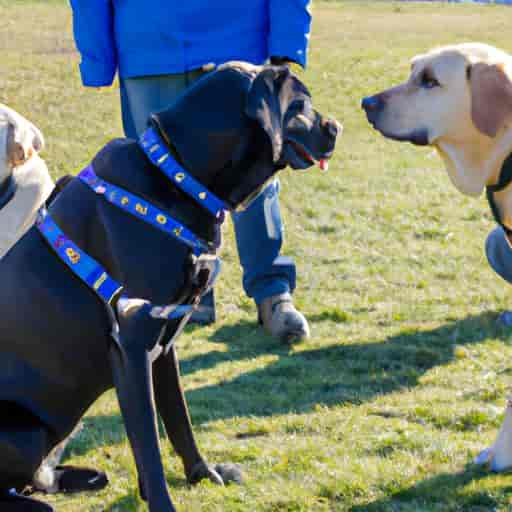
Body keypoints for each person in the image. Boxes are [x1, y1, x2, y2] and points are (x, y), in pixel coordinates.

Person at [69, 0, 312, 343]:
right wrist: (96, 56)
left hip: (240, 42)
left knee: (255, 176)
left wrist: (287, 43)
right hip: (149, 46)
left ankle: (272, 292)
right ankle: (182, 295)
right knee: (157, 186)